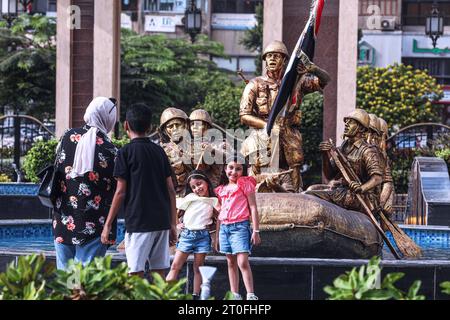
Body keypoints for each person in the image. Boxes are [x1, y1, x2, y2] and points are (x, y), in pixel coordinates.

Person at [240, 40, 330, 193]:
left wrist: (313, 68)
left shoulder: (296, 82)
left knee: (295, 161)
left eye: (276, 56)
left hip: (289, 130)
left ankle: (294, 195)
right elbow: (244, 115)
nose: (272, 59)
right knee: (259, 163)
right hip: (263, 132)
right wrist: (267, 126)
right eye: (269, 56)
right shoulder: (254, 84)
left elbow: (325, 80)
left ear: (284, 60)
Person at [101, 103, 177, 277]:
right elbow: (171, 191)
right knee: (159, 276)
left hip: (138, 222)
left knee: (135, 274)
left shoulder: (125, 152)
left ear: (126, 125)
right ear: (150, 127)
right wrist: (172, 224)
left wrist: (107, 225)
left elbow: (120, 192)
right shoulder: (159, 151)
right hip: (161, 221)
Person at [53, 97, 118, 270]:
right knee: (85, 279)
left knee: (67, 277)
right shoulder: (110, 149)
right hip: (95, 225)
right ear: (108, 118)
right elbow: (117, 188)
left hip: (63, 220)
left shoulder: (67, 137)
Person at [305, 109, 383, 212]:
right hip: (343, 191)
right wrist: (325, 154)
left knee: (311, 196)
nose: (346, 124)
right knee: (311, 191)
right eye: (346, 122)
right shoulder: (342, 148)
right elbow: (329, 175)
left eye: (351, 122)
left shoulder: (368, 151)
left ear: (360, 128)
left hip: (362, 197)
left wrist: (361, 188)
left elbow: (377, 178)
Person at [215, 154, 261, 300]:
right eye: (230, 168)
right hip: (224, 228)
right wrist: (216, 236)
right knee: (230, 261)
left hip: (240, 227)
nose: (233, 172)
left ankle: (251, 294)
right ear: (225, 168)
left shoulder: (245, 184)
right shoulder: (221, 189)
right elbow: (219, 214)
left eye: (238, 169)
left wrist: (256, 230)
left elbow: (253, 207)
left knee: (242, 261)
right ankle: (234, 294)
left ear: (243, 171)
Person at [166, 170, 218, 299]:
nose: (197, 189)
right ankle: (167, 294)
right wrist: (177, 224)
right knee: (175, 266)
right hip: (187, 236)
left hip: (203, 237)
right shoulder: (190, 198)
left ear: (206, 182)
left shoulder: (214, 200)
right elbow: (176, 211)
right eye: (193, 187)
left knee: (198, 268)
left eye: (199, 184)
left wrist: (216, 237)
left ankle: (196, 296)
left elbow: (220, 217)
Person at [159, 107, 192, 196]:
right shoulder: (162, 151)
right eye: (170, 126)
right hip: (173, 195)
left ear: (185, 125)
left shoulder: (196, 146)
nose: (174, 129)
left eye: (177, 125)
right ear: (165, 131)